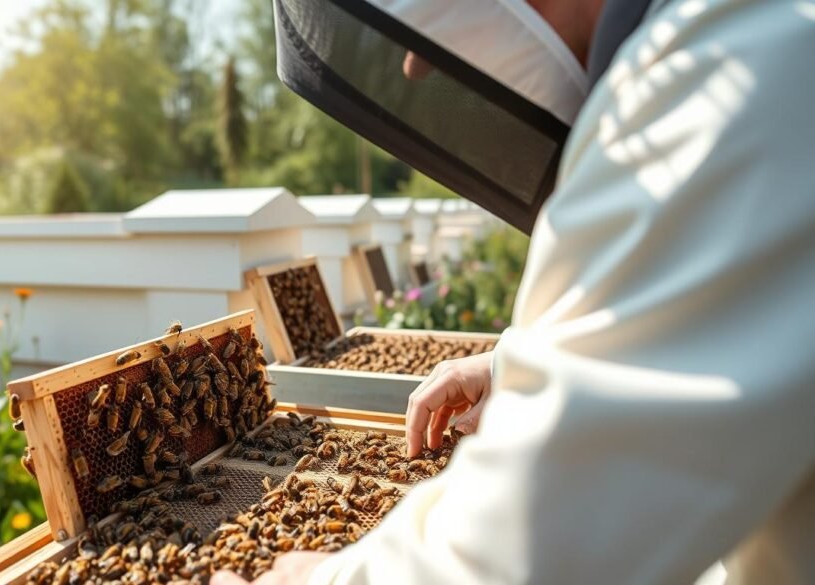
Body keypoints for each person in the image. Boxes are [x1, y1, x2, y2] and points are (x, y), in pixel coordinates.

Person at [214, 0, 815, 583]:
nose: (414, 66)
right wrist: (515, 361)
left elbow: (551, 533)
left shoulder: (731, 69)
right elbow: (701, 330)